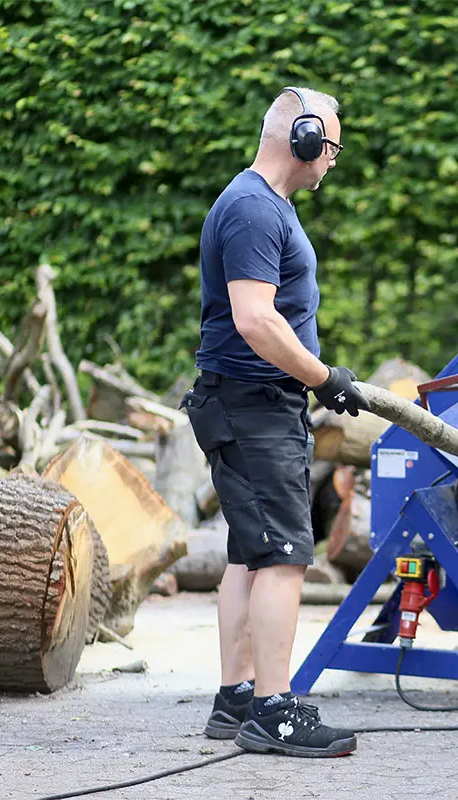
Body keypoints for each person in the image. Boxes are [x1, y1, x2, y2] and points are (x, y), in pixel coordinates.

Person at [181, 86, 369, 757]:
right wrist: (323, 377)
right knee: (286, 555)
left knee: (249, 552)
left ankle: (236, 698)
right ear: (305, 138)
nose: (333, 160)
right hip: (253, 406)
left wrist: (314, 380)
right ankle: (274, 710)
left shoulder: (263, 205)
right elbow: (255, 320)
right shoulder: (254, 209)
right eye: (332, 146)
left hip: (249, 403)